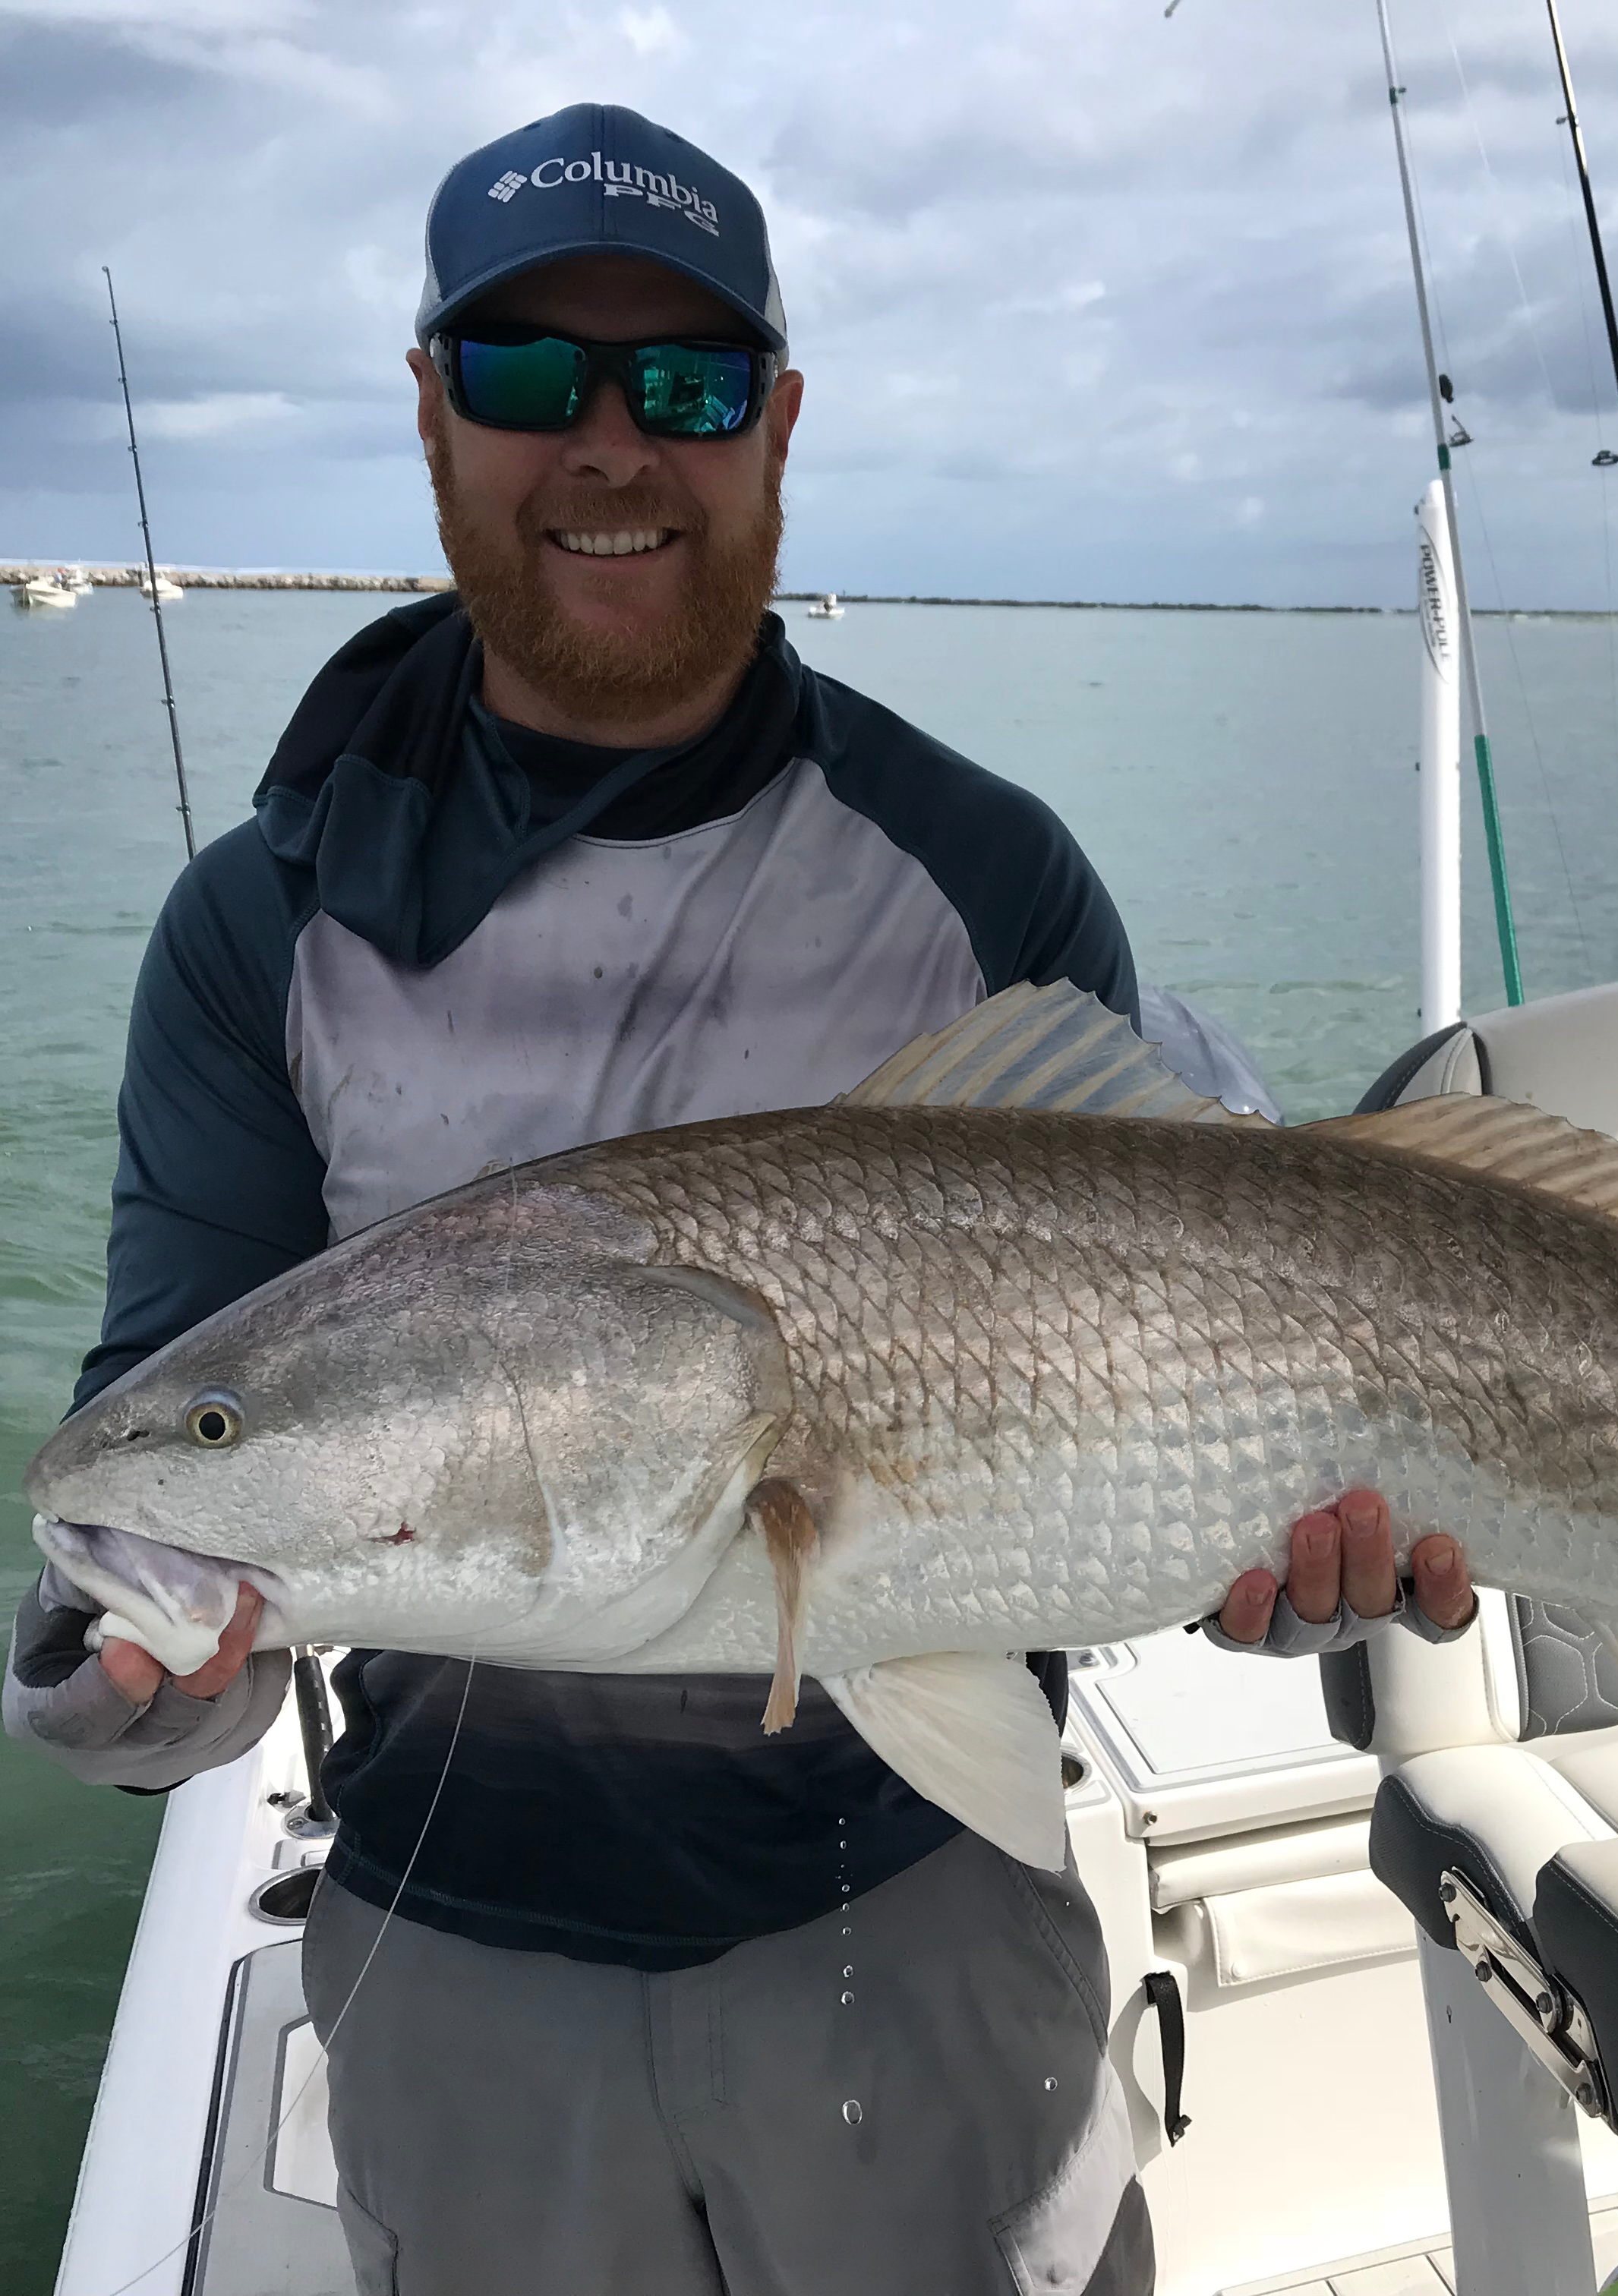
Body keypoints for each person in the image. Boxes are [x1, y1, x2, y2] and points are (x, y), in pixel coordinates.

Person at [5, 104, 1474, 2296]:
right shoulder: (264, 925)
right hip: (458, 1953)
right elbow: (168, 1488)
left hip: (929, 1909)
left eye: (683, 383)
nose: (609, 443)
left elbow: (1197, 1376)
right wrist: (148, 1682)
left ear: (776, 425)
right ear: (432, 407)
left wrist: (1283, 1564)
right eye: (528, 371)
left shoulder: (983, 873)